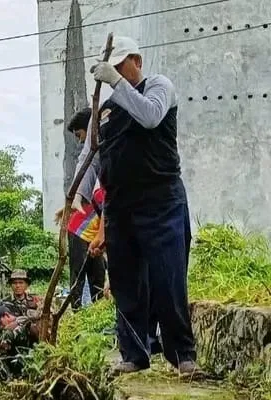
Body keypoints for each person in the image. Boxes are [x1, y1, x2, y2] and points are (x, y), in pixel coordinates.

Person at [84, 36, 199, 376]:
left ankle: (182, 355)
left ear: (138, 61)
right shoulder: (105, 110)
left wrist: (116, 82)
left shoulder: (159, 87)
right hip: (120, 205)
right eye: (113, 67)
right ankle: (134, 354)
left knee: (168, 277)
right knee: (126, 283)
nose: (118, 72)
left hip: (160, 199)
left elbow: (149, 117)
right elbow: (93, 156)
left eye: (122, 65)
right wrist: (78, 195)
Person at [55, 107, 107, 311]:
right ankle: (77, 312)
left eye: (79, 135)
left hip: (94, 230)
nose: (79, 141)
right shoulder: (95, 165)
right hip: (80, 232)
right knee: (79, 275)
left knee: (98, 275)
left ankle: (97, 312)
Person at [0, 301, 40, 383]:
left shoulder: (9, 332)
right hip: (35, 369)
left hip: (19, 375)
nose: (0, 327)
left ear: (6, 315)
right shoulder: (26, 320)